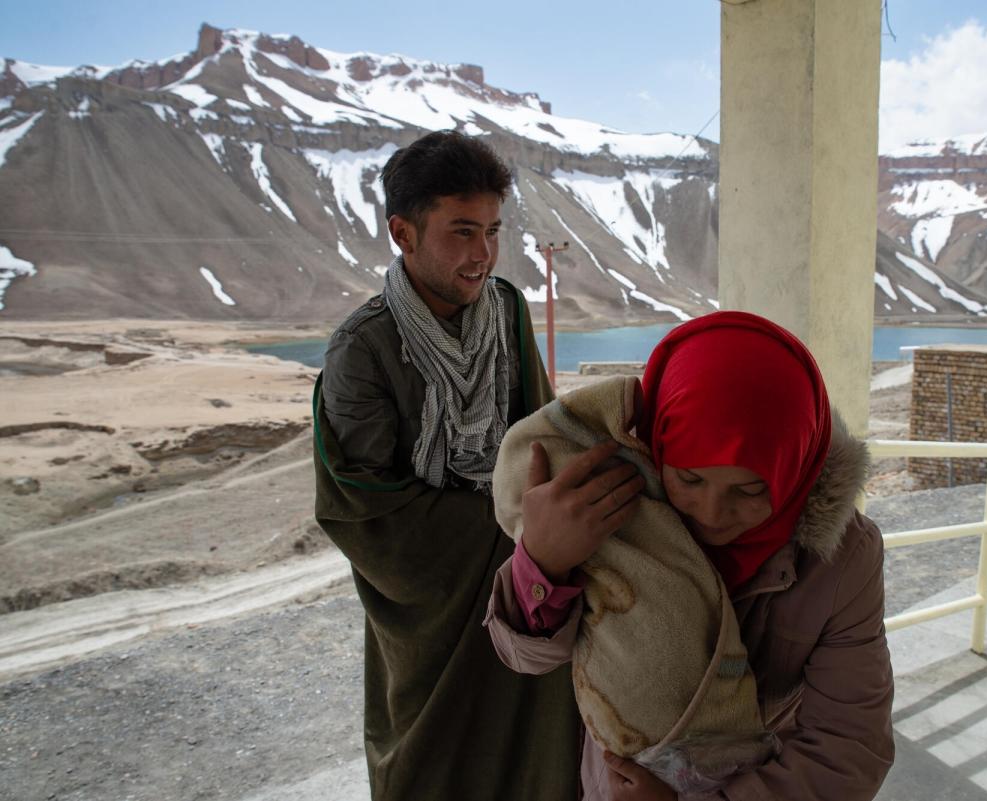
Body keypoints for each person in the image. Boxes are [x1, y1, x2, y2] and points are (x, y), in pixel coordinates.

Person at [485, 311, 895, 800]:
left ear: (796, 470)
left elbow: (849, 747)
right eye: (690, 478)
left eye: (749, 489)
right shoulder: (614, 508)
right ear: (658, 447)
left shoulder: (841, 560)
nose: (713, 513)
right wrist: (543, 562)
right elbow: (525, 658)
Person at [312, 131, 599, 800]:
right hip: (430, 614)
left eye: (493, 231)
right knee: (433, 762)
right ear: (402, 232)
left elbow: (539, 431)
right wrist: (523, 525)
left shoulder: (506, 308)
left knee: (542, 749)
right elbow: (367, 514)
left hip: (528, 586)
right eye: (462, 232)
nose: (483, 254)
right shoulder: (364, 350)